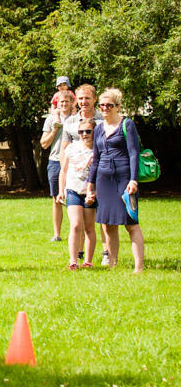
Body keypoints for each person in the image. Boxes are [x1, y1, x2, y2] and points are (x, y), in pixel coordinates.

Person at [86, 88, 145, 273]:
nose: (104, 108)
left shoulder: (127, 125)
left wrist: (133, 180)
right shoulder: (98, 129)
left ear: (117, 107)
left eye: (108, 105)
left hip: (123, 177)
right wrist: (90, 185)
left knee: (130, 223)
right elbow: (96, 158)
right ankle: (112, 263)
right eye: (101, 105)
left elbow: (134, 153)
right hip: (104, 179)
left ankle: (138, 267)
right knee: (108, 223)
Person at [59, 83, 108, 265]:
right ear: (76, 101)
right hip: (75, 178)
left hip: (96, 180)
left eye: (87, 98)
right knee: (76, 222)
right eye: (80, 98)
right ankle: (78, 255)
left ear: (95, 99)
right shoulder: (70, 122)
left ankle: (106, 253)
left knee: (99, 221)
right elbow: (65, 150)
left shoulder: (103, 121)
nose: (84, 102)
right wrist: (62, 182)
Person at [57, 118, 98, 269]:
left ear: (94, 132)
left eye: (88, 131)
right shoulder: (71, 148)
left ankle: (88, 261)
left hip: (90, 192)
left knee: (89, 227)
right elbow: (64, 170)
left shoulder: (97, 150)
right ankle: (73, 261)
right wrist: (61, 190)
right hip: (73, 189)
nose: (84, 134)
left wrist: (94, 193)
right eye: (81, 132)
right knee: (75, 225)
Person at [41, 90, 75, 242]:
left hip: (75, 162)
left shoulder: (77, 118)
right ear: (57, 104)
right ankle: (57, 234)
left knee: (76, 197)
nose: (64, 104)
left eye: (66, 101)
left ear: (71, 102)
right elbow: (44, 144)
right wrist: (55, 129)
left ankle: (76, 231)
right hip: (55, 161)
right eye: (61, 102)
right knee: (57, 199)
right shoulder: (50, 120)